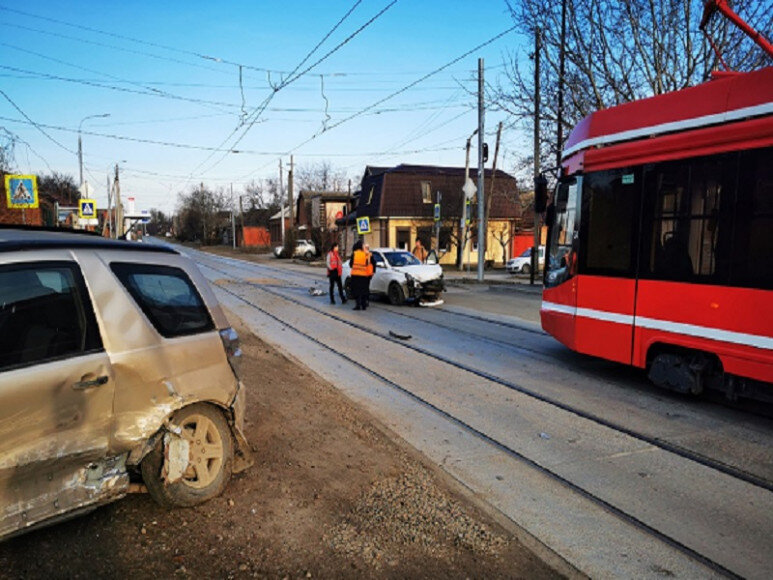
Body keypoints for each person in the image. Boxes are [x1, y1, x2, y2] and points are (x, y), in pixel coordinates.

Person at [349, 240, 370, 311]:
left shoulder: (354, 254)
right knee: (363, 291)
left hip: (355, 275)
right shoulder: (365, 254)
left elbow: (350, 264)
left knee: (356, 291)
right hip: (363, 275)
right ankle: (364, 306)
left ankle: (358, 305)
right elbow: (367, 264)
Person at [363, 243, 377, 308]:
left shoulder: (368, 255)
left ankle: (366, 300)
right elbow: (374, 264)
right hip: (367, 273)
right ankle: (366, 300)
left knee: (365, 288)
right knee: (365, 287)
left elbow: (374, 263)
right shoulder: (369, 255)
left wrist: (373, 271)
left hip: (366, 273)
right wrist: (373, 271)